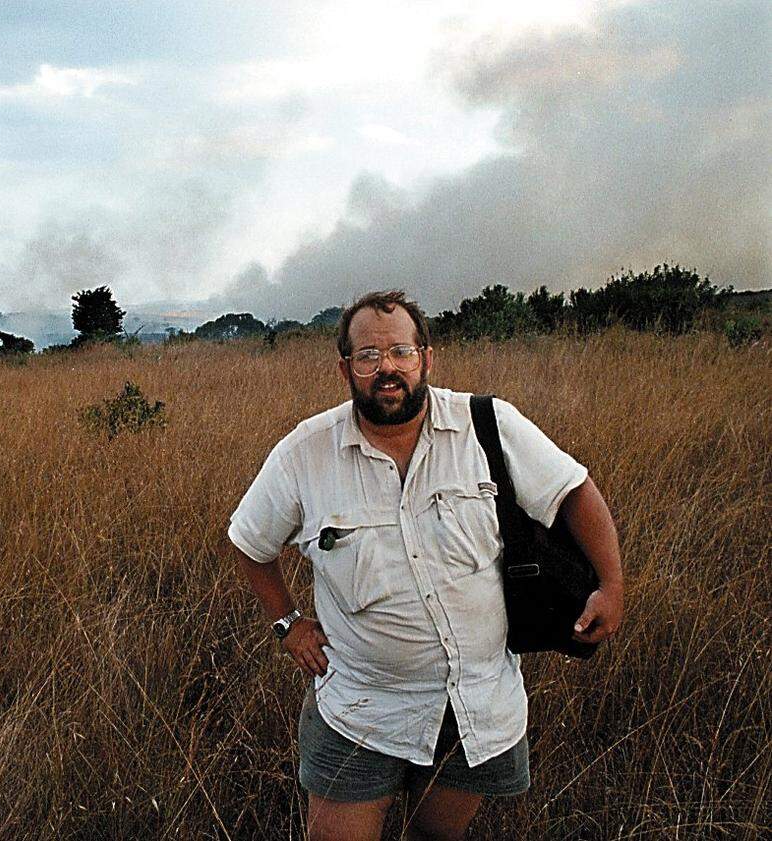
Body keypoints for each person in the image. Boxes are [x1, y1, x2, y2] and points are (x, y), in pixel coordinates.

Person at [228, 290, 623, 841]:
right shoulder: (305, 454)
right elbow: (248, 542)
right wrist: (288, 624)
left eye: (401, 352)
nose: (386, 368)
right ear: (345, 368)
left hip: (475, 705)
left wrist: (612, 586)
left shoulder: (487, 425)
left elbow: (573, 490)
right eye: (368, 356)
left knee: (435, 836)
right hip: (361, 709)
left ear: (426, 358)